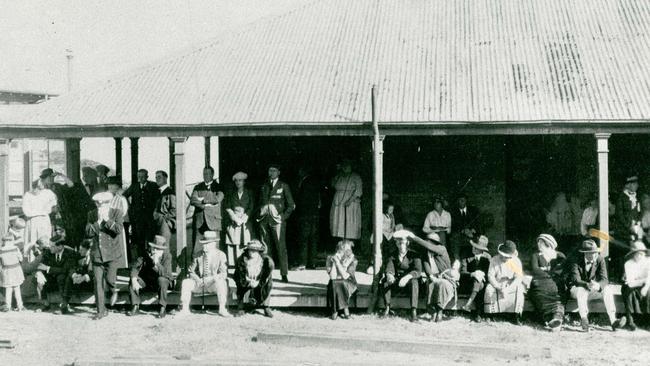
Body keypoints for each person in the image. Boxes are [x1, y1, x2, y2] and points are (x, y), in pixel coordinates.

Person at [567, 239, 625, 332]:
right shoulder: (576, 260)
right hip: (576, 290)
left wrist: (598, 285)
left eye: (596, 252)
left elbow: (605, 279)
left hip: (591, 289)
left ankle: (613, 321)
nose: (595, 255)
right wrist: (587, 284)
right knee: (582, 290)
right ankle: (584, 320)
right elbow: (576, 280)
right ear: (585, 253)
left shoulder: (599, 259)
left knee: (607, 289)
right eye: (592, 253)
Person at [86, 191, 124, 320]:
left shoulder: (116, 212)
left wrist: (107, 221)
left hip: (112, 253)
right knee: (98, 283)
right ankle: (100, 311)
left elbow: (118, 230)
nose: (98, 206)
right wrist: (97, 222)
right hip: (97, 253)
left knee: (110, 280)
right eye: (97, 204)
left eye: (101, 204)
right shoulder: (91, 214)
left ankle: (114, 290)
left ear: (108, 203)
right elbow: (88, 233)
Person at [407, 230, 459, 323]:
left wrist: (414, 237)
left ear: (434, 243)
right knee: (430, 284)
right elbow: (427, 268)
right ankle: (433, 312)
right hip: (434, 277)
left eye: (429, 241)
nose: (427, 243)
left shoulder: (441, 248)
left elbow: (429, 246)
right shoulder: (426, 254)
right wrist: (431, 276)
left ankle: (440, 310)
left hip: (446, 278)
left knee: (442, 284)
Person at [41, 168, 96, 250]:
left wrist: (61, 175)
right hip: (47, 217)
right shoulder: (41, 191)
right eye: (48, 178)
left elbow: (72, 186)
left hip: (62, 217)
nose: (51, 179)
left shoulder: (57, 186)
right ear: (43, 179)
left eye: (52, 177)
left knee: (63, 239)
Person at [258, 164, 294, 283]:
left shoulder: (283, 186)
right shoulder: (264, 186)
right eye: (270, 170)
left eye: (274, 170)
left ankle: (284, 274)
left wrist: (283, 217)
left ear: (279, 172)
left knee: (281, 247)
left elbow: (291, 205)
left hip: (278, 221)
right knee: (265, 247)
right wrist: (261, 212)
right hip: (264, 219)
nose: (271, 172)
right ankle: (267, 273)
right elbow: (260, 202)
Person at [179, 231, 230, 317]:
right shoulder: (197, 255)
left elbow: (224, 273)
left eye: (207, 244)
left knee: (221, 282)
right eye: (203, 243)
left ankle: (222, 309)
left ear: (213, 244)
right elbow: (191, 271)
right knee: (186, 282)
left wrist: (213, 278)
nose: (204, 246)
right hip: (200, 283)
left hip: (213, 284)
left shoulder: (221, 255)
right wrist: (197, 279)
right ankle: (185, 309)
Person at [128, 235, 173, 318]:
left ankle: (162, 308)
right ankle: (135, 306)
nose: (155, 251)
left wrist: (156, 263)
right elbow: (134, 267)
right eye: (153, 248)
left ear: (162, 250)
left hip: (162, 283)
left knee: (162, 280)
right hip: (148, 281)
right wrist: (134, 280)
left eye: (158, 249)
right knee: (133, 279)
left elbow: (165, 273)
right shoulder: (145, 254)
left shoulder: (167, 256)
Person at [381, 233, 422, 322]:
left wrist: (407, 277)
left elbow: (418, 271)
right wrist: (389, 275)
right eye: (399, 243)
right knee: (385, 282)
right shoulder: (393, 255)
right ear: (396, 244)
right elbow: (389, 267)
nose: (401, 245)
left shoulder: (414, 255)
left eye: (403, 243)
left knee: (414, 282)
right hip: (397, 283)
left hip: (409, 284)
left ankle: (413, 311)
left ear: (407, 243)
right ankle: (387, 308)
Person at [528, 234, 566, 331]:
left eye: (541, 243)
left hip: (556, 283)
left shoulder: (559, 255)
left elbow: (562, 270)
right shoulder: (535, 255)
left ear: (548, 244)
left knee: (559, 297)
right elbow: (535, 269)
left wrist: (545, 269)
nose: (538, 245)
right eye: (538, 242)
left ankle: (555, 318)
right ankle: (553, 319)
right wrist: (550, 272)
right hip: (541, 284)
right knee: (539, 294)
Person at [483, 241, 525, 325]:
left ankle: (515, 316)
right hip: (497, 283)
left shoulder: (516, 261)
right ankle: (490, 314)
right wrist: (498, 286)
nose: (504, 258)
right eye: (502, 256)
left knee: (519, 290)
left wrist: (509, 288)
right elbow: (490, 276)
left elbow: (518, 277)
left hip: (511, 284)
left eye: (506, 257)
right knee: (489, 289)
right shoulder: (494, 260)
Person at [123, 169, 160, 259]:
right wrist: (129, 206)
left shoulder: (153, 186)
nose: (140, 178)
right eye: (139, 177)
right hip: (138, 217)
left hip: (149, 216)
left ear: (147, 177)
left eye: (143, 176)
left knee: (150, 236)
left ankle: (151, 257)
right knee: (139, 237)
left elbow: (158, 199)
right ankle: (141, 258)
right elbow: (124, 195)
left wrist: (155, 210)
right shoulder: (134, 186)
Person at [233, 239, 274, 318]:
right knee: (240, 285)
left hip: (260, 281)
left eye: (255, 251)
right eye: (251, 250)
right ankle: (241, 308)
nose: (252, 253)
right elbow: (239, 275)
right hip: (246, 281)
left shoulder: (266, 261)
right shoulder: (241, 260)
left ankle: (266, 307)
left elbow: (266, 275)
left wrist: (258, 282)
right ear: (247, 251)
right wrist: (247, 281)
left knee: (268, 283)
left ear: (259, 252)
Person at [36, 235, 76, 314]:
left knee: (61, 277)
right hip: (52, 278)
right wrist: (39, 272)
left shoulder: (70, 253)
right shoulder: (48, 252)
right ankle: (45, 304)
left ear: (60, 246)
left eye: (52, 246)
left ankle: (64, 305)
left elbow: (65, 270)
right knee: (39, 278)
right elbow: (41, 265)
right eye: (50, 245)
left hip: (65, 279)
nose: (50, 247)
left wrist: (48, 268)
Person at [190, 166, 224, 258]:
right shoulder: (198, 187)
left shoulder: (219, 187)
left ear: (213, 174)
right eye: (204, 174)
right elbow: (193, 200)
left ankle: (213, 269)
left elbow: (217, 199)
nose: (206, 175)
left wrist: (202, 199)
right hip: (200, 222)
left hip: (213, 221)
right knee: (197, 247)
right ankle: (196, 269)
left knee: (214, 247)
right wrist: (204, 205)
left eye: (208, 173)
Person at [294, 166, 322, 270]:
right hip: (314, 214)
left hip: (305, 215)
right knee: (313, 239)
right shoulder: (313, 182)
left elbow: (302, 200)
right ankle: (312, 263)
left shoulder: (305, 183)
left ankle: (302, 263)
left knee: (304, 239)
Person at [224, 172, 254, 265]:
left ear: (244, 182)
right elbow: (228, 206)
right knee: (233, 242)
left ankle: (244, 265)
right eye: (236, 181)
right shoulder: (231, 193)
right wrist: (234, 217)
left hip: (245, 222)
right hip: (234, 222)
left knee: (245, 243)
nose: (238, 182)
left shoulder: (249, 193)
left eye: (240, 180)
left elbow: (251, 207)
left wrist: (244, 218)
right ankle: (234, 266)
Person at [459, 235, 491, 322]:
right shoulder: (466, 254)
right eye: (473, 246)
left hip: (482, 283)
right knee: (478, 283)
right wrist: (472, 274)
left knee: (480, 283)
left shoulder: (487, 257)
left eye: (477, 248)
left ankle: (470, 307)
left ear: (482, 250)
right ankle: (478, 313)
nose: (473, 249)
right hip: (467, 283)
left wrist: (482, 276)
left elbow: (489, 273)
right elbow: (462, 272)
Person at [330, 159, 362, 241]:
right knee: (339, 222)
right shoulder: (339, 176)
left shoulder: (356, 177)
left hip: (350, 202)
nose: (345, 168)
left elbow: (358, 191)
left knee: (349, 222)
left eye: (347, 166)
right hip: (338, 201)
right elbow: (332, 185)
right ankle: (340, 241)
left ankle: (348, 242)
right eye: (343, 166)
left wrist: (350, 200)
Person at [621, 240, 650, 331]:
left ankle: (647, 321)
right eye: (636, 254)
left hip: (644, 285)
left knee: (649, 292)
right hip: (631, 286)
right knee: (628, 292)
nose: (639, 256)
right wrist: (643, 281)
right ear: (633, 254)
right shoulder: (628, 264)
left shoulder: (648, 262)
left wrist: (645, 286)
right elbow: (630, 283)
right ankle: (631, 321)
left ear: (644, 254)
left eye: (641, 253)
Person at [22, 179, 57, 252]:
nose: (37, 191)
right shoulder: (28, 195)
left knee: (45, 240)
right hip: (32, 221)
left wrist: (48, 208)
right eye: (36, 188)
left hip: (44, 221)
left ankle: (46, 259)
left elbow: (54, 204)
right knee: (32, 241)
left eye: (40, 188)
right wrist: (42, 212)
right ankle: (32, 261)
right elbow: (26, 212)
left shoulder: (48, 193)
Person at [326, 240, 357, 320]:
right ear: (339, 250)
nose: (348, 251)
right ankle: (343, 311)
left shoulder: (353, 260)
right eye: (345, 250)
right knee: (334, 283)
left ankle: (336, 311)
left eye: (349, 249)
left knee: (341, 282)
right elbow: (332, 277)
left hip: (349, 282)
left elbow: (345, 276)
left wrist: (338, 264)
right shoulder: (330, 258)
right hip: (335, 283)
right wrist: (334, 263)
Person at [449, 193, 480, 261]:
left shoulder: (473, 211)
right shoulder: (453, 212)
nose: (462, 202)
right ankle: (457, 263)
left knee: (475, 243)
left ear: (466, 201)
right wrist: (463, 230)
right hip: (459, 235)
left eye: (463, 200)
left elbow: (477, 223)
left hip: (471, 235)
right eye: (460, 200)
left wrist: (472, 229)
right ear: (457, 201)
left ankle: (472, 263)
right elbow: (452, 225)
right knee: (455, 242)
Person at [106, 176, 129, 268]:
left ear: (118, 186)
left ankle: (118, 266)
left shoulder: (121, 198)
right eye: (109, 184)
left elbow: (123, 212)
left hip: (116, 223)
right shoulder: (106, 196)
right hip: (107, 223)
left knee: (117, 245)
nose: (110, 187)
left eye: (113, 184)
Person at [65, 239, 94, 308]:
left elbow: (94, 273)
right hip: (80, 282)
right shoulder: (79, 256)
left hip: (91, 283)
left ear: (88, 250)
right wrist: (74, 275)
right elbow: (71, 268)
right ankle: (65, 303)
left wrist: (83, 278)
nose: (79, 251)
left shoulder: (95, 258)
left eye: (82, 250)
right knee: (69, 278)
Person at [0, 234, 25, 312]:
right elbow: (20, 258)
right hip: (16, 269)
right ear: (11, 241)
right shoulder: (15, 248)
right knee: (17, 288)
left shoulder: (1, 250)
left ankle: (8, 305)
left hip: (6, 270)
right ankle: (20, 305)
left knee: (8, 289)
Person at [153, 171, 176, 250]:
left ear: (165, 178)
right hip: (156, 223)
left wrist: (164, 218)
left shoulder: (170, 192)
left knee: (164, 247)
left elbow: (174, 210)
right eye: (156, 177)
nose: (157, 179)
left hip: (164, 224)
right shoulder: (157, 192)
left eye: (159, 177)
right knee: (157, 247)